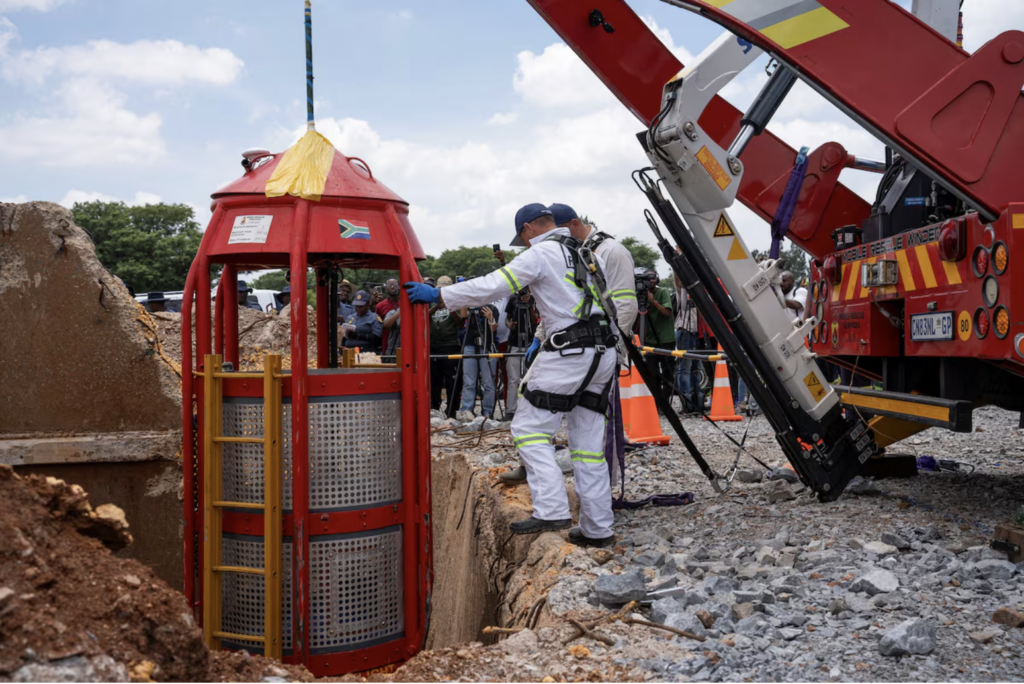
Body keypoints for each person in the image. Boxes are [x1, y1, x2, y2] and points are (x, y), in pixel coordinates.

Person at [404, 203, 617, 547]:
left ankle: (550, 509)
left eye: (523, 237)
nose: (524, 244)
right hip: (603, 352)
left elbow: (494, 285)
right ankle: (598, 528)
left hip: (569, 352)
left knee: (530, 428)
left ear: (529, 228)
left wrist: (441, 295)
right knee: (588, 447)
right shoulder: (589, 252)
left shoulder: (540, 253)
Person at [457, 301, 500, 420]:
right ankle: (466, 410)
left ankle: (487, 412)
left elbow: (493, 329)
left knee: (488, 382)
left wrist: (490, 317)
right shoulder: (470, 308)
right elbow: (464, 315)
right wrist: (466, 299)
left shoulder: (492, 308)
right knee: (469, 381)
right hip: (470, 345)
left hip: (487, 346)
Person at [429, 276, 464, 418]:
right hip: (434, 346)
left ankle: (452, 410)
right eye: (440, 289)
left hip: (451, 346)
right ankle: (434, 407)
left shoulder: (457, 301)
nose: (442, 292)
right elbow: (423, 318)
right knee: (434, 380)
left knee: (452, 380)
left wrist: (451, 309)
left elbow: (461, 323)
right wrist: (436, 306)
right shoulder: (430, 302)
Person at [640, 270, 675, 408]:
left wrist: (653, 302)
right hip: (650, 340)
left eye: (653, 278)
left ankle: (664, 403)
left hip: (666, 339)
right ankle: (654, 403)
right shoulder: (641, 295)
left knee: (668, 374)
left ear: (657, 279)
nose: (650, 281)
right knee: (651, 374)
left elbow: (667, 313)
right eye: (647, 278)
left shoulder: (663, 292)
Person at [504, 287, 539, 418]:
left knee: (528, 379)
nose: (524, 293)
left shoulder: (534, 299)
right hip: (514, 342)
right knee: (513, 379)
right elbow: (507, 319)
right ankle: (511, 411)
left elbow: (535, 322)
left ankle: (527, 410)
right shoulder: (513, 299)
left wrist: (529, 305)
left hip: (529, 343)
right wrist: (510, 324)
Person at [674, 273, 704, 414]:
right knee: (685, 367)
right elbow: (677, 282)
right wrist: (677, 267)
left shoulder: (699, 294)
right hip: (685, 330)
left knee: (696, 368)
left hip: (697, 332)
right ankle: (687, 402)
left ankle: (697, 401)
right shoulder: (682, 292)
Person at [376, 279, 401, 352]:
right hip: (387, 342)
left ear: (399, 287)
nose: (392, 287)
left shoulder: (405, 303)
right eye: (390, 285)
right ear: (386, 288)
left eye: (395, 285)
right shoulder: (380, 306)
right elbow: (378, 325)